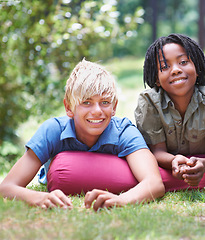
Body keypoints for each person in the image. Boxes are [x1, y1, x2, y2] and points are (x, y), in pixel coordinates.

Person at [0, 59, 165, 211]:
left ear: (114, 106)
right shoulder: (53, 130)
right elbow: (7, 187)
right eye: (86, 102)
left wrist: (121, 200)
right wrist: (40, 197)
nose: (97, 111)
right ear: (69, 107)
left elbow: (154, 183)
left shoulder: (124, 131)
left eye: (105, 102)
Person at [135, 33, 205, 191]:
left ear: (197, 69)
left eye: (183, 62)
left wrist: (203, 165)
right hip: (167, 165)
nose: (175, 70)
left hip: (202, 162)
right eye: (164, 66)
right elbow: (157, 151)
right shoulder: (149, 102)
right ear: (156, 79)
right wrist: (174, 161)